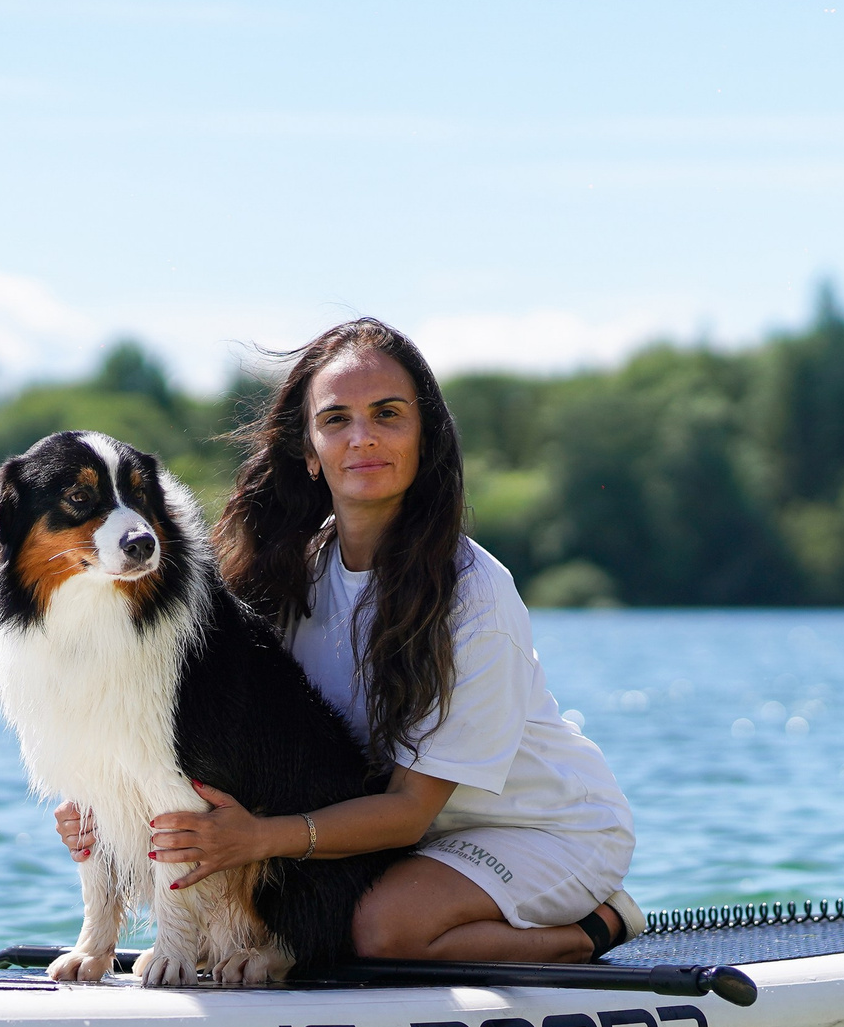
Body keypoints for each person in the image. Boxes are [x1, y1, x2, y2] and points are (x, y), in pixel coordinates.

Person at [55, 317, 639, 964]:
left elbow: (411, 810)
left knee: (379, 933)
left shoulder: (476, 594)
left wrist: (260, 838)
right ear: (308, 449)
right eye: (336, 419)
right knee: (329, 928)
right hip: (393, 844)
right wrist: (107, 810)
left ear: (425, 438)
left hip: (540, 831)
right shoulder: (282, 573)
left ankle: (599, 926)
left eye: (388, 414)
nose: (362, 437)